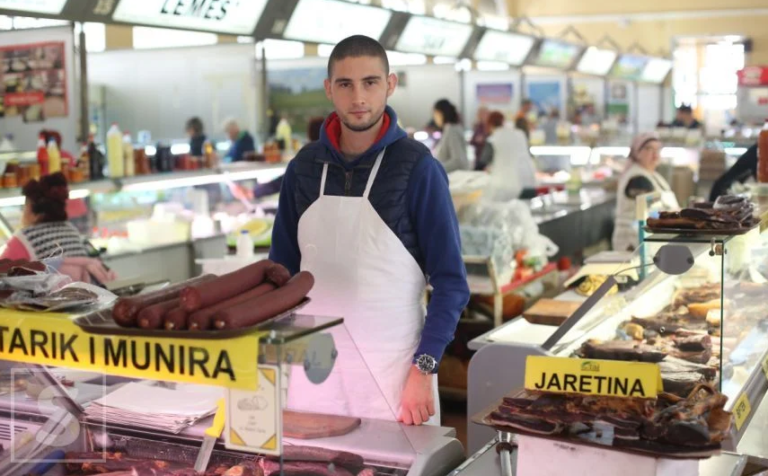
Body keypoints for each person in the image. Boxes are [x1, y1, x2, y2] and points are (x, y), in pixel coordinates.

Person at [270, 35, 469, 426]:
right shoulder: (303, 169)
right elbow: (280, 274)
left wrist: (424, 369)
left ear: (389, 85)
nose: (358, 97)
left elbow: (451, 284)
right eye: (345, 84)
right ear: (329, 90)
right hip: (314, 373)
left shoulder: (418, 168)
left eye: (370, 82)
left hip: (394, 377)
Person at [0, 173, 116, 284]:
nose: (22, 212)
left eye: (24, 207)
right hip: (87, 295)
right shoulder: (70, 229)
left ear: (32, 209)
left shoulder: (25, 237)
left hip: (51, 301)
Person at [612, 132, 675, 252]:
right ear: (637, 153)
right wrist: (672, 214)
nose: (655, 155)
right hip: (633, 240)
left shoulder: (653, 175)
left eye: (658, 150)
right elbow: (650, 212)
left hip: (645, 237)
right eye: (649, 149)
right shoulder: (637, 178)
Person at [480, 111, 537, 200]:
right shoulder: (519, 134)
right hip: (529, 184)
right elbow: (529, 155)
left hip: (506, 188)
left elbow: (483, 162)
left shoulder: (493, 139)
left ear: (490, 124)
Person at [432, 99, 469, 173]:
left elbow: (458, 161)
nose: (434, 118)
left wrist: (435, 169)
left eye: (435, 114)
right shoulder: (449, 129)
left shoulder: (452, 130)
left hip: (456, 178)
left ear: (440, 114)